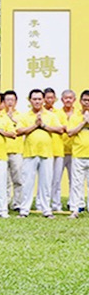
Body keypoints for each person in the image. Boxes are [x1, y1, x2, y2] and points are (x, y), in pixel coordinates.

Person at [16, 89, 63, 218]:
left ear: (43, 100)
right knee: (27, 182)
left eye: (39, 99)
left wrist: (43, 125)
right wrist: (34, 126)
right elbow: (19, 131)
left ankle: (46, 209)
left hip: (46, 153)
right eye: (34, 99)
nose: (37, 101)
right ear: (30, 100)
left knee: (46, 183)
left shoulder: (50, 115)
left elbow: (59, 130)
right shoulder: (25, 116)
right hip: (29, 153)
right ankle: (24, 209)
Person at [43, 88, 67, 211]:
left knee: (56, 180)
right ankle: (43, 204)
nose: (49, 100)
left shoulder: (60, 113)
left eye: (52, 97)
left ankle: (56, 204)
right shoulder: (40, 113)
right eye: (47, 97)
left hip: (58, 150)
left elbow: (62, 129)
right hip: (44, 151)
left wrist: (46, 127)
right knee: (45, 179)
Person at [66, 90, 89, 218]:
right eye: (85, 100)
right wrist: (84, 122)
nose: (87, 103)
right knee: (76, 183)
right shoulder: (75, 117)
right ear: (80, 101)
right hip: (78, 154)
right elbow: (70, 132)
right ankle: (75, 208)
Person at [2, 90, 24, 210]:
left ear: (16, 102)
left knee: (18, 179)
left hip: (17, 151)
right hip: (2, 152)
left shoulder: (21, 116)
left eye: (12, 100)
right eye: (7, 100)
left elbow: (23, 129)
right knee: (3, 180)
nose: (10, 102)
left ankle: (18, 203)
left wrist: (13, 119)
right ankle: (3, 202)